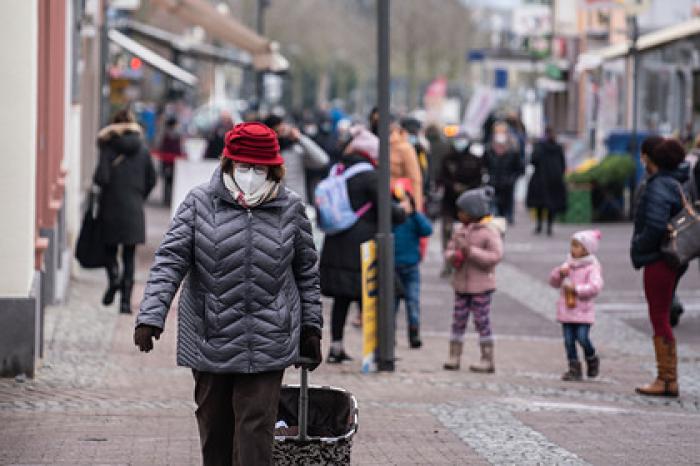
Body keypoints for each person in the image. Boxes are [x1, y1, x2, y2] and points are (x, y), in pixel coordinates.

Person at [133, 122, 323, 465]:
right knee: (215, 433)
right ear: (228, 164)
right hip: (210, 335)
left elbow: (306, 272)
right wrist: (151, 316)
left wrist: (311, 328)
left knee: (255, 432)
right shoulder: (199, 203)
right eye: (244, 166)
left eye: (260, 168)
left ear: (274, 169)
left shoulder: (291, 208)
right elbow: (169, 261)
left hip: (270, 337)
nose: (251, 174)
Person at [320, 127, 407, 363]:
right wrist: (403, 211)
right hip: (363, 246)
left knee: (342, 299)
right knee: (372, 296)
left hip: (337, 242)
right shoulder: (371, 176)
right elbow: (387, 211)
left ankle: (336, 347)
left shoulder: (338, 171)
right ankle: (377, 350)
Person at [631, 138, 687, 397]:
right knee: (661, 315)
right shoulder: (673, 183)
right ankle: (666, 377)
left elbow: (654, 225)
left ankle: (666, 378)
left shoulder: (658, 187)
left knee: (659, 317)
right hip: (668, 259)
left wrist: (640, 247)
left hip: (658, 259)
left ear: (650, 159)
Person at [94, 109, 156, 314]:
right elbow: (152, 179)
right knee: (129, 257)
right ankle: (125, 304)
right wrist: (139, 196)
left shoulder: (107, 147)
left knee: (109, 251)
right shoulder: (143, 150)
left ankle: (114, 279)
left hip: (110, 207)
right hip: (134, 209)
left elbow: (101, 178)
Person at [443, 187, 504, 373]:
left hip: (481, 287)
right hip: (461, 285)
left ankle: (487, 358)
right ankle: (454, 356)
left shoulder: (489, 232)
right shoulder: (459, 231)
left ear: (473, 212)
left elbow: (495, 257)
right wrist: (454, 256)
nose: (459, 214)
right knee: (458, 321)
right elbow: (449, 251)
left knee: (481, 321)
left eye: (462, 211)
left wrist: (470, 251)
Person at [549, 230, 604, 381]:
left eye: (576, 246)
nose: (572, 249)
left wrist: (577, 290)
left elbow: (596, 287)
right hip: (566, 309)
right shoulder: (568, 264)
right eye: (572, 245)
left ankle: (591, 358)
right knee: (568, 340)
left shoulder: (592, 267)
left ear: (586, 249)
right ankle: (574, 368)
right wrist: (559, 274)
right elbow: (553, 282)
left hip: (583, 311)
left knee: (582, 337)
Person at [392, 178, 433, 348]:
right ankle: (389, 334)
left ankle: (414, 332)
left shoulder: (414, 218)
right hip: (392, 269)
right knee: (391, 305)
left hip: (411, 268)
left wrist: (415, 213)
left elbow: (427, 230)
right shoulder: (391, 219)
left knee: (413, 302)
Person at [438, 135, 485, 275]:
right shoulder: (447, 159)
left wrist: (467, 188)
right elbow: (441, 178)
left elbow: (479, 179)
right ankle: (448, 262)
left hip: (469, 205)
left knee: (470, 233)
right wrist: (453, 186)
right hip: (449, 202)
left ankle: (468, 261)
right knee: (447, 231)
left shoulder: (475, 160)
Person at [263, 114, 329, 204]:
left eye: (282, 130)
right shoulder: (264, 156)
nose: (281, 134)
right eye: (277, 131)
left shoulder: (295, 150)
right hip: (273, 209)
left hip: (297, 208)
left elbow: (323, 160)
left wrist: (300, 138)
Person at [526, 127, 568, 236]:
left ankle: (540, 225)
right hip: (554, 179)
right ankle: (549, 226)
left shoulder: (540, 146)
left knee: (540, 204)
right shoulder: (558, 147)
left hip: (541, 178)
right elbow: (563, 164)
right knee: (551, 205)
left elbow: (533, 160)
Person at [485, 122, 523, 224]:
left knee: (507, 204)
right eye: (497, 131)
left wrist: (512, 179)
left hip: (508, 184)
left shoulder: (513, 150)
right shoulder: (489, 149)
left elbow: (519, 168)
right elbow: (485, 165)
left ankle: (508, 217)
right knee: (494, 205)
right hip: (493, 182)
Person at [157, 116, 184, 205]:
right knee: (172, 180)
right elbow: (179, 149)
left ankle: (166, 199)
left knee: (167, 181)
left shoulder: (165, 134)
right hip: (173, 162)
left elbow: (161, 147)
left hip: (167, 161)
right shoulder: (176, 135)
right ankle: (170, 199)